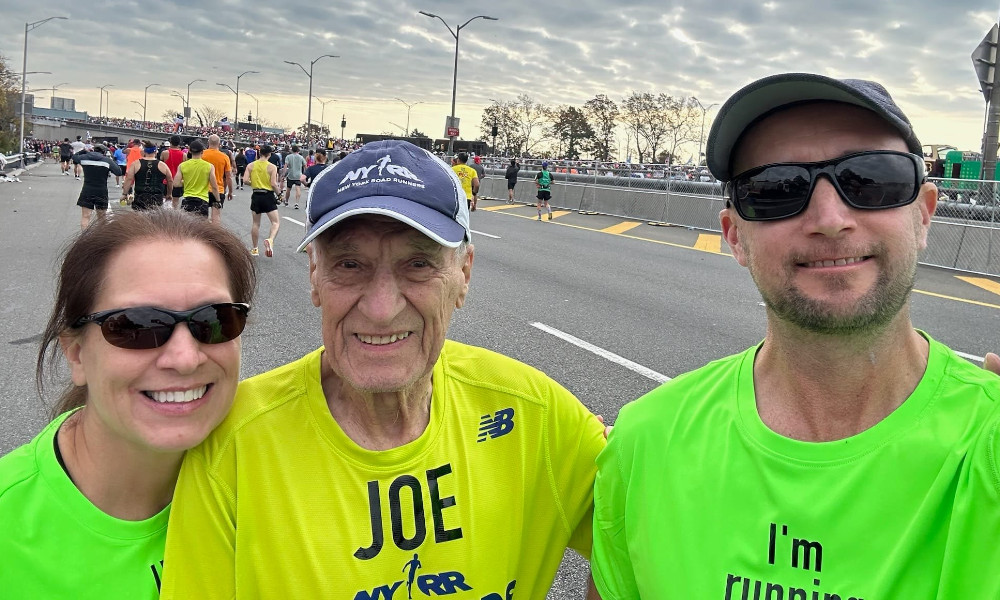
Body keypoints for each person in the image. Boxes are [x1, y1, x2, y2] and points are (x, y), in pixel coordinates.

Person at [588, 73, 1000, 600]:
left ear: (923, 214)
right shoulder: (646, 441)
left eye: (872, 178)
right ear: (735, 236)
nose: (830, 220)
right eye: (776, 188)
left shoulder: (989, 449)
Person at [160, 140, 604, 599]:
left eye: (418, 264)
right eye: (350, 265)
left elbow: (649, 541)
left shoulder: (537, 417)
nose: (380, 309)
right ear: (314, 275)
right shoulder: (232, 450)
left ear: (464, 274)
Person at [0, 209, 255, 599]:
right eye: (138, 326)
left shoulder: (274, 477)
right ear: (77, 354)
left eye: (216, 320)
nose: (185, 358)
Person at [72, 144, 122, 230]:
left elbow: (74, 157)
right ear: (104, 152)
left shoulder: (84, 157)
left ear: (93, 150)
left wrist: (84, 151)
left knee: (86, 216)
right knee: (102, 217)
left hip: (87, 189)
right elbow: (118, 172)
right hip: (101, 190)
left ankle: (84, 237)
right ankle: (100, 238)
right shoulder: (106, 161)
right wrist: (112, 160)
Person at [246, 144, 281, 257]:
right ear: (269, 154)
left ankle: (255, 249)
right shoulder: (272, 167)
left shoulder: (251, 165)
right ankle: (270, 240)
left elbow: (245, 180)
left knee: (256, 223)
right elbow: (273, 184)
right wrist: (280, 194)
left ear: (260, 153)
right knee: (275, 222)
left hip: (256, 195)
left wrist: (255, 184)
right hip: (268, 195)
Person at [121, 141, 173, 211]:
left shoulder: (136, 164)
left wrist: (124, 194)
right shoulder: (162, 165)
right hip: (156, 198)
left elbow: (129, 179)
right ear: (156, 152)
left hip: (140, 197)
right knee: (154, 219)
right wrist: (169, 194)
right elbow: (170, 180)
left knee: (139, 218)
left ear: (144, 152)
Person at [173, 139, 218, 219]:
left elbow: (176, 184)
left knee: (186, 228)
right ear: (202, 151)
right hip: (202, 200)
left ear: (189, 151)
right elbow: (214, 186)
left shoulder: (182, 165)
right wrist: (218, 200)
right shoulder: (209, 166)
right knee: (201, 229)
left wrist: (185, 182)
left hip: (187, 199)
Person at [202, 135, 234, 226]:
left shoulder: (202, 154)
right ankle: (214, 237)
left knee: (202, 216)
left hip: (203, 189)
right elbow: (228, 176)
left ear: (208, 143)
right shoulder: (224, 157)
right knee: (216, 216)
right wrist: (230, 191)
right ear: (219, 144)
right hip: (218, 189)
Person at [161, 136, 187, 210]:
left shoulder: (165, 153)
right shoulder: (183, 155)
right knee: (175, 203)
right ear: (179, 143)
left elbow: (161, 165)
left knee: (163, 201)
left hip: (165, 181)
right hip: (177, 182)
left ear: (170, 142)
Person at [282, 144, 306, 209]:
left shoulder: (288, 157)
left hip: (290, 174)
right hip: (298, 175)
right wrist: (305, 173)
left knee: (288, 189)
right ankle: (297, 203)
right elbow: (305, 165)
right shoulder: (301, 157)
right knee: (298, 188)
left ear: (292, 150)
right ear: (298, 150)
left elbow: (285, 165)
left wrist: (283, 174)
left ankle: (286, 201)